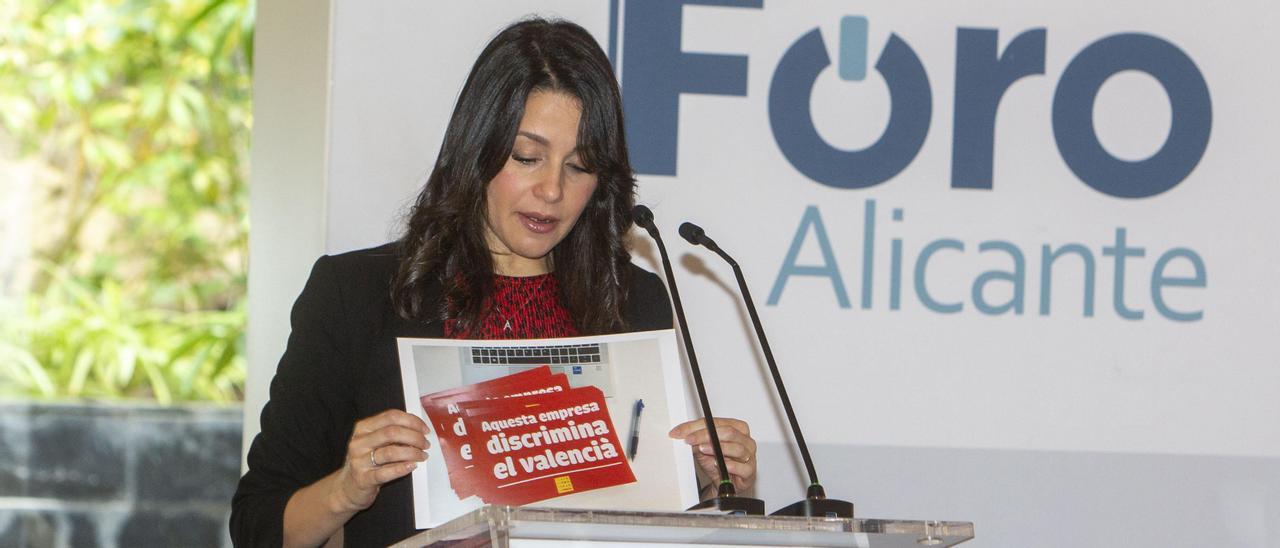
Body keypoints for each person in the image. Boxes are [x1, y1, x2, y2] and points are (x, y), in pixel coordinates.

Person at [231, 18, 757, 547]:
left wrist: (717, 487)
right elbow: (257, 528)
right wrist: (346, 490)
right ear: (477, 149)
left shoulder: (633, 300)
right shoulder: (357, 294)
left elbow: (642, 519)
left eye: (579, 167)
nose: (551, 189)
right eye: (527, 158)